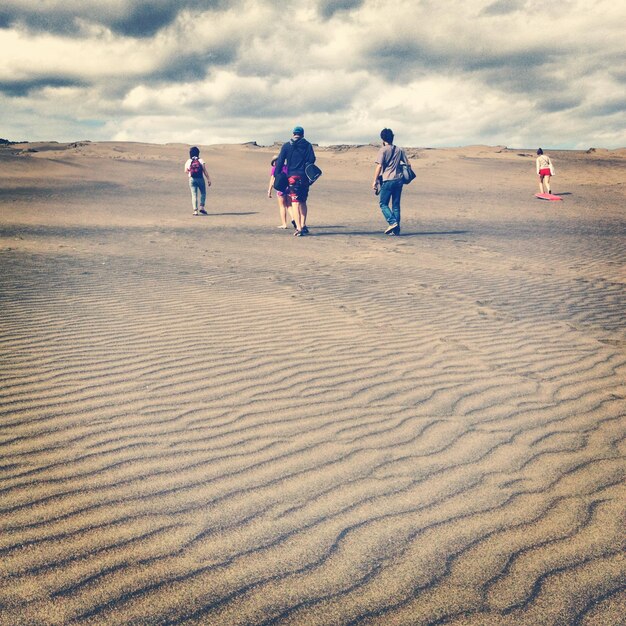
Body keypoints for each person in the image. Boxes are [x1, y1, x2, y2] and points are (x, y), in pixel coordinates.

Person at [273, 125, 316, 236]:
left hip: (292, 177)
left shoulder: (287, 146)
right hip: (305, 178)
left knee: (295, 203)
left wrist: (277, 175)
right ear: (303, 134)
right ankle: (303, 224)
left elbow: (281, 161)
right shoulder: (307, 145)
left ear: (293, 134)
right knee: (303, 202)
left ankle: (299, 228)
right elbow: (312, 159)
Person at [372, 128, 410, 235]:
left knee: (383, 203)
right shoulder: (399, 150)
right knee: (396, 205)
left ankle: (392, 222)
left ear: (383, 139)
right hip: (399, 180)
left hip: (388, 179)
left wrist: (374, 181)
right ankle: (396, 230)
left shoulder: (383, 150)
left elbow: (379, 166)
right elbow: (408, 163)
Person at [267, 156, 296, 229]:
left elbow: (272, 180)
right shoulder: (287, 167)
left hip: (280, 189)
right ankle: (293, 218)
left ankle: (284, 224)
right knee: (289, 205)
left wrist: (269, 191)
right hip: (288, 188)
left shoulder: (275, 168)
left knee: (282, 206)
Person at [184, 146, 211, 216]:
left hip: (192, 179)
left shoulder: (188, 161)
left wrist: (191, 172)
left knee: (194, 195)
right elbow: (204, 171)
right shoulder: (201, 160)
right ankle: (202, 207)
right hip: (200, 178)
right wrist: (208, 179)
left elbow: (185, 171)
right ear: (198, 153)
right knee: (203, 193)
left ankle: (195, 211)